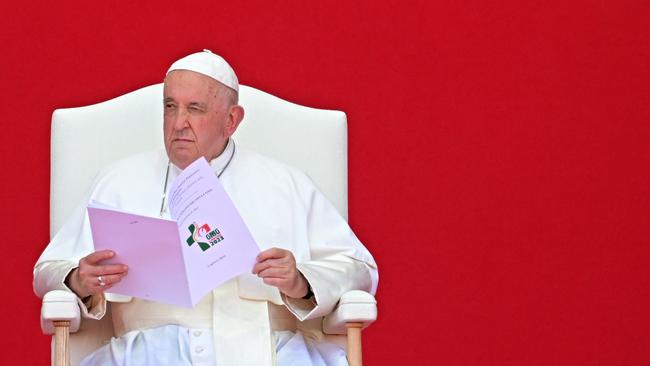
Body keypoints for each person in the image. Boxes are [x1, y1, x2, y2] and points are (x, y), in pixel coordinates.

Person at [33, 50, 378, 366]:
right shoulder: (118, 179)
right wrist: (78, 279)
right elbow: (47, 269)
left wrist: (301, 281)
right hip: (148, 351)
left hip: (268, 349)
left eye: (194, 109)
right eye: (170, 107)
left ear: (231, 120)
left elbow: (358, 268)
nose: (178, 122)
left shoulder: (287, 183)